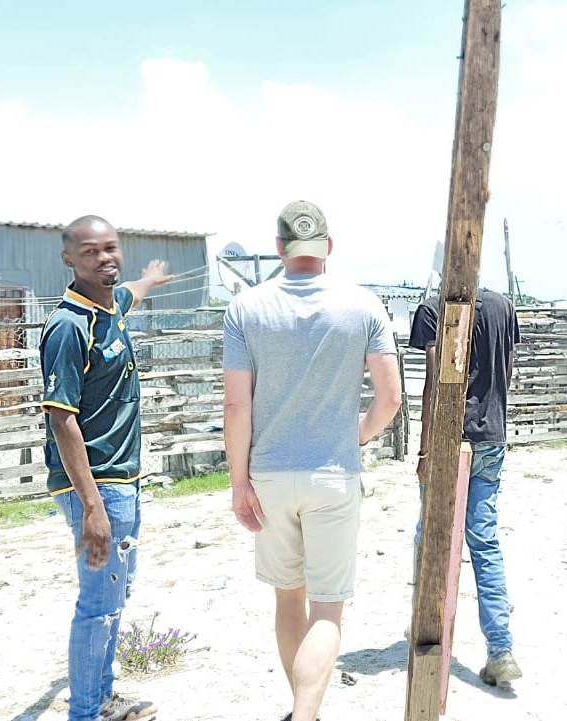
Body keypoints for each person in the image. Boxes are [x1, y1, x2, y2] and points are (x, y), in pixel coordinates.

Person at [223, 200, 402, 721]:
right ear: (328, 246)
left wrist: (239, 483)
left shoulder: (245, 309)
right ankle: (306, 716)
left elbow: (236, 405)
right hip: (332, 473)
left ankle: (303, 713)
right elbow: (390, 397)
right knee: (328, 610)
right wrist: (360, 437)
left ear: (278, 248)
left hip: (269, 475)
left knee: (287, 600)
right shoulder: (364, 306)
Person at [41, 215, 172, 721]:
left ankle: (102, 697)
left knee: (116, 593)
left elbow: (132, 291)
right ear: (69, 259)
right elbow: (61, 420)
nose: (105, 259)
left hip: (123, 482)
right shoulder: (69, 326)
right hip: (95, 487)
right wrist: (92, 506)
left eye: (111, 249)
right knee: (98, 604)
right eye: (91, 252)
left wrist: (151, 279)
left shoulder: (111, 303)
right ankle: (86, 713)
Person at [409, 288, 523, 687]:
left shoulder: (431, 309)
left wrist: (424, 451)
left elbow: (433, 383)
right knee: (485, 541)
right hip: (491, 435)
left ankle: (425, 625)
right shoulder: (502, 307)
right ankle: (500, 649)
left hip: (447, 439)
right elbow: (506, 372)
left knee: (432, 535)